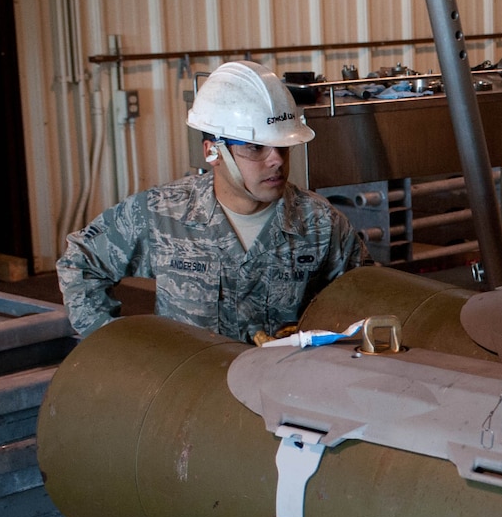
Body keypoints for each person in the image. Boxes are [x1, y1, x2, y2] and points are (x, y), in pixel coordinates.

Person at [57, 60, 369, 342]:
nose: (276, 160)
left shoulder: (320, 224)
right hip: (192, 394)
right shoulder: (162, 214)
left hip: (283, 392)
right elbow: (80, 262)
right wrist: (118, 347)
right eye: (254, 147)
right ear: (213, 152)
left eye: (281, 147)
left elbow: (369, 293)